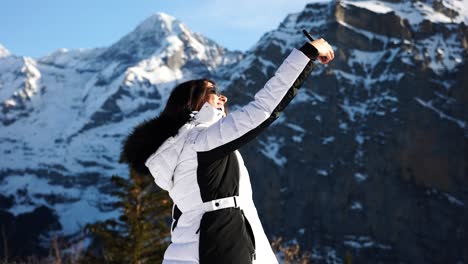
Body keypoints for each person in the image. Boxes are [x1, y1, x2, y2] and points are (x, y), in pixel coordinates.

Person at [121, 37, 334, 264]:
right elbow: (263, 109)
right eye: (213, 91)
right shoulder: (201, 140)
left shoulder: (180, 149)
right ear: (193, 103)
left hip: (193, 247)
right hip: (223, 241)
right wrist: (306, 54)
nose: (223, 97)